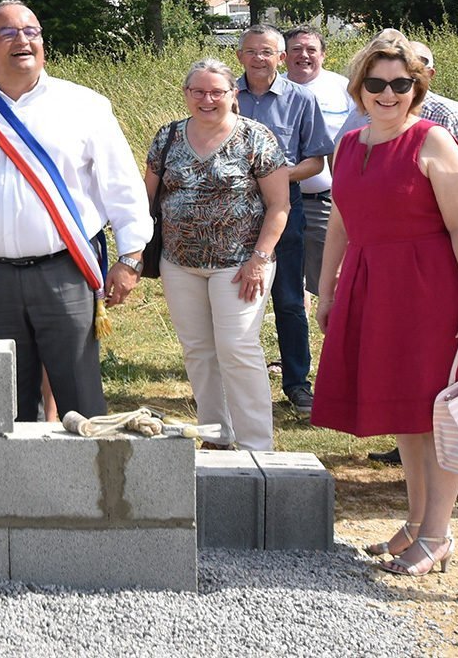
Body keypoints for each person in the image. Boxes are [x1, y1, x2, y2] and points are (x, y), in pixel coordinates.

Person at [0, 0, 150, 421]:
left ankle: (89, 485)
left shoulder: (85, 105)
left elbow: (124, 188)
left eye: (31, 31)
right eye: (6, 33)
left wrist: (131, 258)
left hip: (65, 272)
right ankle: (15, 486)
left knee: (81, 398)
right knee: (4, 406)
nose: (22, 39)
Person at [311, 30, 458, 576]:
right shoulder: (349, 145)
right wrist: (328, 287)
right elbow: (340, 221)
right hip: (372, 283)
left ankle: (438, 534)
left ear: (417, 87)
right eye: (376, 83)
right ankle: (415, 524)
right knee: (406, 415)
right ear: (359, 87)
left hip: (430, 289)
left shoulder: (435, 141)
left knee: (440, 415)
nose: (387, 94)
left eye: (399, 84)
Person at [144, 58, 290, 451]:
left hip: (242, 265)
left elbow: (279, 205)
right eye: (198, 92)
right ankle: (216, 434)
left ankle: (257, 444)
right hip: (179, 263)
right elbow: (148, 199)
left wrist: (260, 258)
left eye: (216, 92)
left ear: (233, 94)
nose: (207, 99)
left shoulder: (257, 139)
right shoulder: (167, 137)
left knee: (237, 348)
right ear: (186, 94)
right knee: (198, 351)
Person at [234, 24, 333, 417]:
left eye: (267, 52)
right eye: (252, 51)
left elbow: (316, 160)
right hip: (231, 208)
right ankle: (238, 380)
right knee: (231, 295)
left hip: (284, 207)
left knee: (289, 299)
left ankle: (296, 382)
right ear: (240, 56)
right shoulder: (223, 93)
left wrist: (274, 177)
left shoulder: (301, 99)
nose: (259, 58)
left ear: (281, 58)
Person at [283, 26, 351, 301]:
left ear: (323, 55)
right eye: (296, 49)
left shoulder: (343, 88)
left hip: (325, 202)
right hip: (278, 202)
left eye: (311, 49)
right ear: (283, 56)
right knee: (288, 286)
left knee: (331, 282)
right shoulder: (270, 89)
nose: (304, 55)